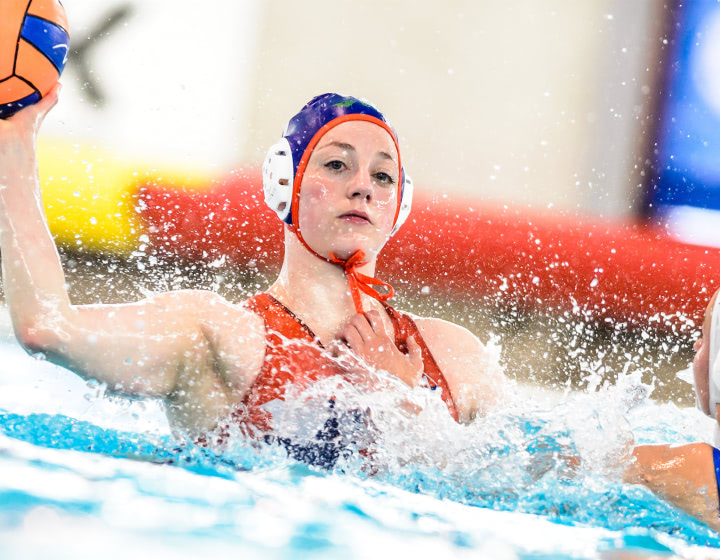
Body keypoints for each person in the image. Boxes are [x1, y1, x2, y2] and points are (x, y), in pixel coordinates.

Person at [1, 86, 719, 527]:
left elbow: (552, 481)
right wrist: (14, 133)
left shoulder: (452, 357)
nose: (363, 187)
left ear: (398, 205)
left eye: (383, 175)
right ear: (285, 182)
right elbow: (45, 327)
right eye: (336, 164)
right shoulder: (219, 336)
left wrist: (411, 411)